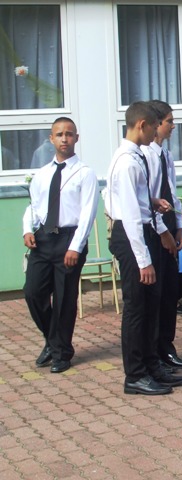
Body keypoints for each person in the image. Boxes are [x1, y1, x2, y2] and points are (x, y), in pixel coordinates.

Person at [105, 101, 182, 395]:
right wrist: (144, 261)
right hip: (131, 237)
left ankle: (152, 365)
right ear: (142, 125)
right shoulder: (126, 162)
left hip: (143, 231)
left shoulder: (136, 156)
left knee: (151, 306)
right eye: (154, 126)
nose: (156, 132)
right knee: (137, 308)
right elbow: (129, 215)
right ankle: (135, 374)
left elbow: (140, 202)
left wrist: (154, 204)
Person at [23, 117, 98, 373]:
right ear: (51, 139)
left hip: (69, 239)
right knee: (33, 292)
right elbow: (34, 207)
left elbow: (88, 213)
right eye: (59, 134)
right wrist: (27, 229)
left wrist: (76, 246)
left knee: (65, 298)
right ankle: (53, 340)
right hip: (44, 240)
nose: (64, 139)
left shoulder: (85, 173)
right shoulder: (42, 174)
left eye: (69, 134)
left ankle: (61, 353)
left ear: (76, 138)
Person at [142, 100, 182, 369]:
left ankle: (167, 347)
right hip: (153, 231)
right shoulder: (145, 155)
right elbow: (147, 200)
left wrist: (179, 227)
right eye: (170, 122)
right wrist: (163, 231)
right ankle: (153, 352)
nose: (173, 126)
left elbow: (171, 193)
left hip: (168, 227)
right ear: (156, 124)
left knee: (169, 291)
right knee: (155, 294)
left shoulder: (166, 155)